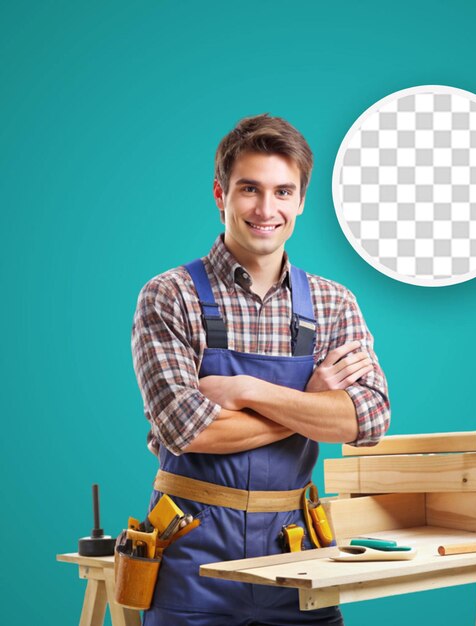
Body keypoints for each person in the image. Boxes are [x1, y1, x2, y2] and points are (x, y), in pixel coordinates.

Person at [131, 113, 390, 625]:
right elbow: (187, 429)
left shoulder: (334, 304)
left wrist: (246, 389)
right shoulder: (169, 296)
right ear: (220, 194)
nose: (266, 209)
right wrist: (313, 403)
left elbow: (369, 420)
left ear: (300, 200)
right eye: (249, 189)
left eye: (282, 191)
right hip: (191, 553)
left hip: (295, 550)